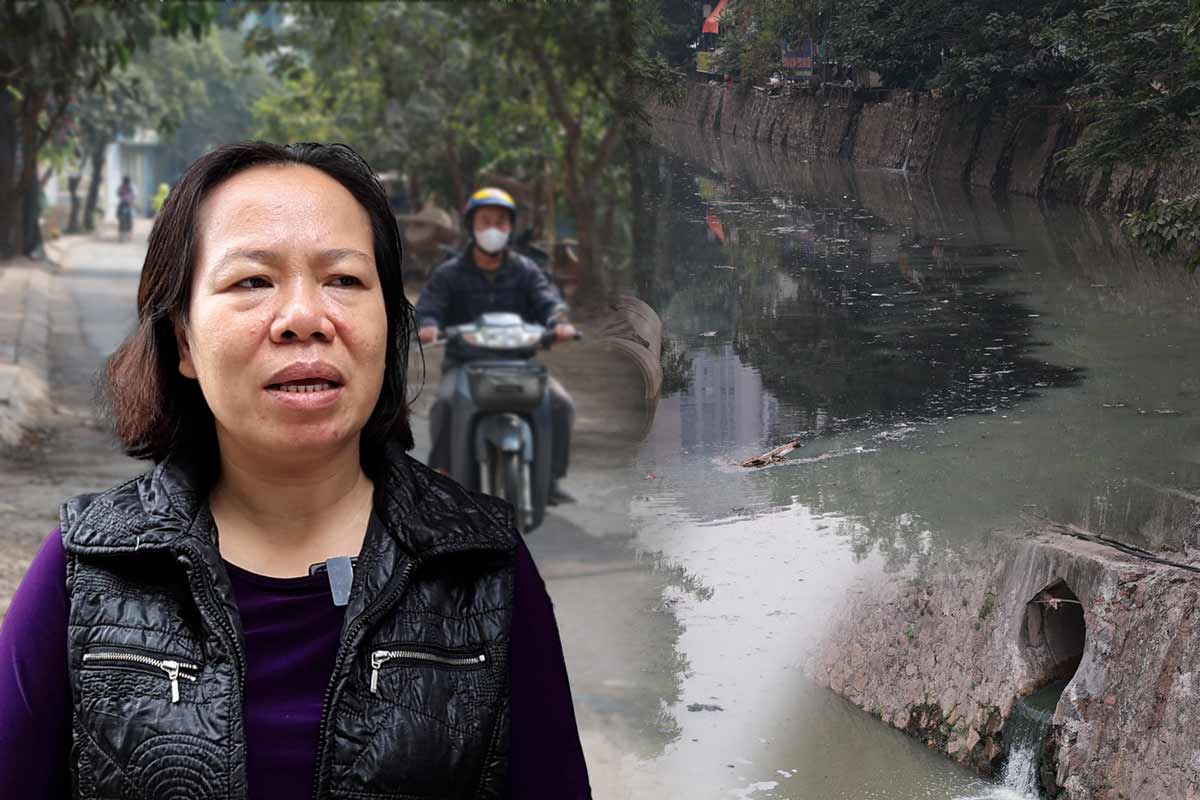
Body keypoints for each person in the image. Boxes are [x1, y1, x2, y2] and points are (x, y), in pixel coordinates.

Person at [0, 143, 591, 799]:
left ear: (387, 324)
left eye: (344, 280)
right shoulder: (88, 569)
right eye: (252, 281)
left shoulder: (482, 570)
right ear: (185, 340)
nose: (306, 317)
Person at [415, 187, 578, 504]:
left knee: (561, 405)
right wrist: (429, 326)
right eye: (485, 220)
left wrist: (559, 321)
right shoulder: (449, 274)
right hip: (465, 365)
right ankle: (446, 475)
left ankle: (551, 478)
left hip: (522, 365)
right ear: (471, 226)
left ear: (510, 228)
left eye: (501, 223)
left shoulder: (526, 271)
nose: (493, 229)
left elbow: (548, 301)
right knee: (444, 405)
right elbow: (429, 307)